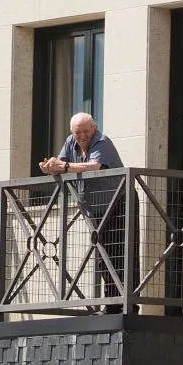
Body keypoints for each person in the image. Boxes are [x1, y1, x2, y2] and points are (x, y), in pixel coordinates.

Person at [38, 113, 128, 309]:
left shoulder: (102, 141)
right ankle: (111, 304)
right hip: (95, 206)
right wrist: (49, 167)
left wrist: (65, 166)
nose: (82, 135)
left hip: (118, 202)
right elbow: (60, 165)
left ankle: (125, 305)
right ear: (72, 132)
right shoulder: (71, 142)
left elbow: (94, 166)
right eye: (78, 132)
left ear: (94, 129)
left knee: (121, 253)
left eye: (86, 131)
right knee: (102, 255)